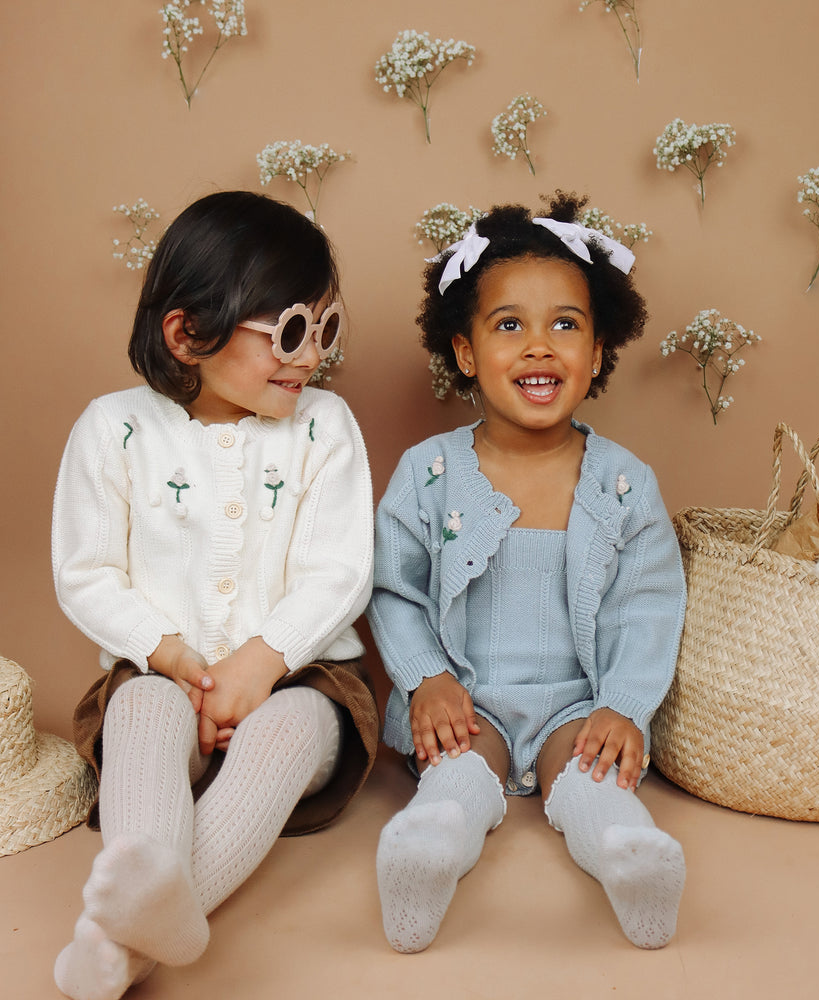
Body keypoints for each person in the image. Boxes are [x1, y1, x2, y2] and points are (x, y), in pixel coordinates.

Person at [51, 191, 378, 1000]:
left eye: (326, 329)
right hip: (160, 673)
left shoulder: (325, 427)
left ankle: (121, 947)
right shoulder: (112, 429)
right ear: (188, 333)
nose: (311, 356)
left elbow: (339, 569)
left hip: (301, 681)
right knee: (140, 712)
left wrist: (261, 663)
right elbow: (86, 571)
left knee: (285, 733)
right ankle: (145, 913)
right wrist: (170, 656)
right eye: (291, 332)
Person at [367, 192, 687, 953]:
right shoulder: (430, 472)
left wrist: (623, 706)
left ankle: (628, 854)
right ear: (465, 352)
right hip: (463, 700)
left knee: (591, 771)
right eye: (510, 325)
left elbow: (648, 605)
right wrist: (426, 679)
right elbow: (393, 588)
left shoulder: (623, 483)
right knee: (456, 770)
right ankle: (428, 848)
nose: (539, 347)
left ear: (598, 352)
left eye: (565, 325)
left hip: (576, 703)